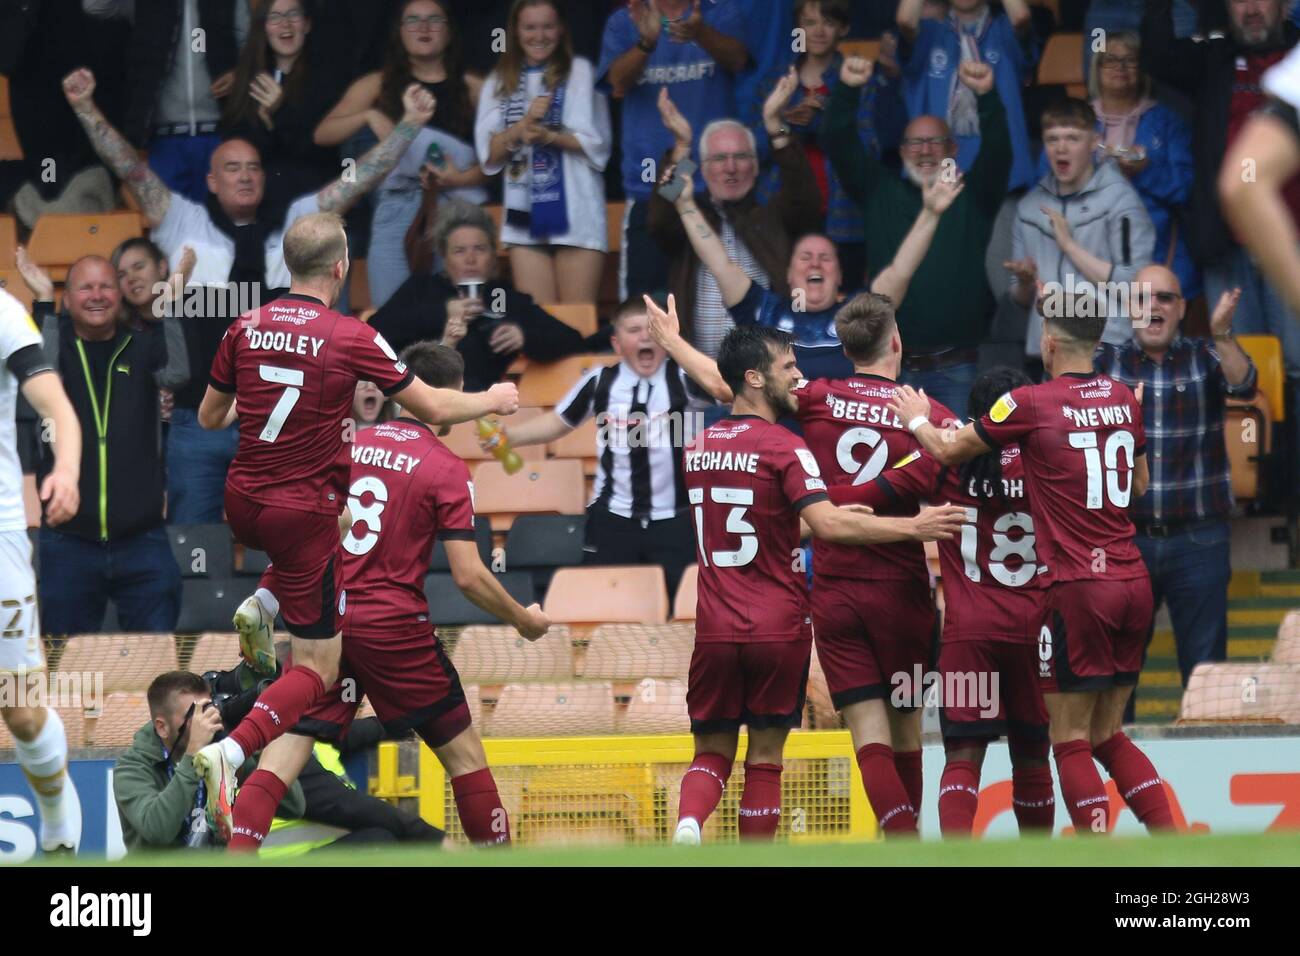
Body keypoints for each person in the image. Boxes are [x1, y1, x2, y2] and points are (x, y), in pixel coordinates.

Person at [189, 212, 520, 841]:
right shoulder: (350, 335)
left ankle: (264, 598)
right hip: (322, 538)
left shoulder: (245, 323)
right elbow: (431, 404)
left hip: (242, 503)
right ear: (341, 267)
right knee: (314, 667)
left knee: (293, 740)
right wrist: (493, 400)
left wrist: (261, 403)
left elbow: (209, 417)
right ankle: (230, 752)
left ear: (289, 264)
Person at [64, 67, 444, 524]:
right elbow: (129, 166)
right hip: (197, 419)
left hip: (285, 428)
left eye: (253, 167)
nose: (245, 176)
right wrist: (86, 108)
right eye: (232, 168)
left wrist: (409, 124)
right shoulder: (180, 220)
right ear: (210, 181)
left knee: (291, 547)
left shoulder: (299, 226)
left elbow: (358, 180)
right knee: (194, 544)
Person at [650, 292, 961, 834]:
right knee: (907, 732)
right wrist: (919, 433)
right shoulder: (925, 410)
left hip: (836, 592)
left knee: (868, 733)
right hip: (903, 591)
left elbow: (733, 387)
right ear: (896, 341)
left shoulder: (814, 398)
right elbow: (961, 452)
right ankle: (907, 848)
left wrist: (675, 342)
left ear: (843, 348)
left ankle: (898, 834)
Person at [225, 342, 550, 851]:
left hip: (325, 619)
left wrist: (270, 593)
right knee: (465, 760)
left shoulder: (345, 447)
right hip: (393, 627)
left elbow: (305, 531)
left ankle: (236, 857)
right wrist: (521, 620)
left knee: (282, 759)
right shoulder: (445, 468)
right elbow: (467, 576)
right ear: (450, 397)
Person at [890, 291, 1177, 835]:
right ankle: (1173, 842)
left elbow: (948, 452)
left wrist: (918, 419)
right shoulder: (1124, 397)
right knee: (1107, 735)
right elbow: (1139, 485)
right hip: (1130, 579)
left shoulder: (1032, 406)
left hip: (1067, 594)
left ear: (1048, 340)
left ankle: (1082, 848)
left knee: (1058, 742)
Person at [828, 367, 1056, 837]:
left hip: (969, 634)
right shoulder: (1048, 461)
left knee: (963, 756)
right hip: (1036, 631)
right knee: (1032, 752)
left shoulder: (943, 461)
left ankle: (951, 857)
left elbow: (874, 495)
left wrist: (815, 511)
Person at [664, 146, 964, 380]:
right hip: (781, 448)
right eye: (805, 258)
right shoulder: (762, 310)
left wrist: (931, 213)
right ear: (789, 275)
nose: (815, 264)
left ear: (839, 277)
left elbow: (900, 270)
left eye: (825, 259)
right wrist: (685, 203)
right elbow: (718, 262)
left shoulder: (859, 315)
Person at [1095, 265, 1256, 691]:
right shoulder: (1104, 363)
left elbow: (1246, 384)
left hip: (1199, 540)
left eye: (1165, 298)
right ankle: (1114, 756)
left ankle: (1209, 760)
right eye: (1143, 298)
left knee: (1207, 678)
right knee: (1115, 676)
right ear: (1129, 309)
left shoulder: (1205, 356)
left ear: (1182, 308)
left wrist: (1222, 334)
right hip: (1125, 539)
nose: (1154, 307)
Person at [825, 57, 1009, 419]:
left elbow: (1001, 149)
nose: (925, 151)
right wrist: (847, 89)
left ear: (953, 148)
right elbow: (838, 140)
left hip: (957, 366)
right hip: (891, 367)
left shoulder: (973, 194)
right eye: (915, 143)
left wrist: (986, 95)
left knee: (956, 468)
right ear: (903, 150)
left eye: (935, 141)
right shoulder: (878, 189)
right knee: (896, 470)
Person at [494, 298, 715, 597]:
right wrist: (510, 437)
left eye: (653, 329)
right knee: (604, 604)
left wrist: (676, 344)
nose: (645, 337)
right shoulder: (600, 381)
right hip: (614, 519)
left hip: (677, 519)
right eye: (634, 330)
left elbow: (727, 388)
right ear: (616, 343)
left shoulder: (685, 379)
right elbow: (560, 422)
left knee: (684, 610)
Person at [18, 254, 187, 635]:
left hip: (142, 540)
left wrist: (169, 311)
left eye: (106, 286)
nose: (97, 295)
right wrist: (44, 302)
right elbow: (40, 380)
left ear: (120, 294)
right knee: (68, 667)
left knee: (153, 666)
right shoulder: (57, 348)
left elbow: (177, 372)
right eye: (85, 287)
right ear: (68, 298)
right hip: (69, 543)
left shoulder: (141, 347)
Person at [314, 0, 489, 308]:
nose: (423, 27)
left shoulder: (474, 86)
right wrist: (368, 115)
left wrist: (459, 177)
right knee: (392, 316)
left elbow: (505, 155)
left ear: (449, 32)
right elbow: (323, 133)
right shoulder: (378, 84)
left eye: (434, 20)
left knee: (459, 315)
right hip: (398, 204)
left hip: (460, 208)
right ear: (399, 32)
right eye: (413, 20)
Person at [648, 75, 823, 358]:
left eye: (741, 157)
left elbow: (806, 200)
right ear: (701, 170)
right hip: (698, 374)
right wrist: (682, 146)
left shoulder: (774, 215)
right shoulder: (688, 220)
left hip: (768, 374)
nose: (730, 168)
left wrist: (774, 125)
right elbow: (661, 214)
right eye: (718, 159)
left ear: (755, 167)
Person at [0, 286, 84, 855]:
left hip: (0, 532)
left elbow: (57, 409)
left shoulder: (3, 313)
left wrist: (68, 470)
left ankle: (55, 809)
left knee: (22, 711)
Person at [747, 0, 907, 289]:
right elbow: (754, 151)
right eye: (810, 23)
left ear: (843, 28)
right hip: (786, 216)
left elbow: (869, 148)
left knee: (844, 313)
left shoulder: (860, 80)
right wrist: (785, 124)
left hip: (843, 217)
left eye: (829, 23)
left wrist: (821, 121)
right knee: (783, 310)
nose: (818, 31)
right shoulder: (775, 81)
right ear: (798, 28)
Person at [597, 0, 750, 300]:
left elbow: (740, 61)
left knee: (725, 301)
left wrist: (700, 32)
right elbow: (616, 82)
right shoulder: (626, 20)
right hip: (654, 190)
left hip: (717, 186)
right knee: (647, 307)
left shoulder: (721, 11)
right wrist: (646, 43)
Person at [474, 0, 612, 305]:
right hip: (525, 222)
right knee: (541, 327)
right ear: (516, 32)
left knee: (578, 326)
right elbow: (489, 155)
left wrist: (549, 136)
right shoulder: (499, 82)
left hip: (577, 217)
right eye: (530, 27)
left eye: (548, 26)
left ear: (561, 29)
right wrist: (520, 129)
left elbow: (599, 145)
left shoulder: (581, 73)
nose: (540, 35)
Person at [368, 199, 586, 392]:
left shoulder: (504, 297)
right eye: (459, 251)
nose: (470, 259)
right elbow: (374, 332)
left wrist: (525, 338)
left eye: (479, 249)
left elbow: (573, 341)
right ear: (444, 257)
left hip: (481, 405)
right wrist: (442, 313)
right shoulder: (422, 288)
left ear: (492, 256)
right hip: (422, 398)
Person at [1004, 98, 1154, 376]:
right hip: (1047, 354)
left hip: (1106, 350)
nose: (1061, 148)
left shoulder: (1120, 200)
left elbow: (1136, 285)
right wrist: (1025, 282)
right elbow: (1020, 299)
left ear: (1094, 142)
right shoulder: (1028, 207)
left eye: (1072, 138)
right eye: (1052, 139)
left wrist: (1069, 246)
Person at [1052, 31, 1197, 301]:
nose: (1120, 67)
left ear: (1143, 70)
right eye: (1110, 60)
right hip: (1086, 259)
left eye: (1130, 60)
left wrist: (1147, 171)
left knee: (1153, 341)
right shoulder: (1071, 121)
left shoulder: (1167, 122)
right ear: (1096, 68)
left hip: (1154, 259)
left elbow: (1188, 188)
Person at [84, 0, 250, 203]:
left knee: (222, 228)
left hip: (221, 135)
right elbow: (96, 6)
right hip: (164, 142)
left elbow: (250, 44)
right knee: (168, 229)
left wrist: (239, 75)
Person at [220, 0, 350, 212]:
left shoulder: (329, 81)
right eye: (275, 17)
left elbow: (321, 151)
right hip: (260, 208)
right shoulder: (247, 79)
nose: (285, 24)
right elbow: (238, 146)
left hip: (314, 203)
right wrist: (268, 124)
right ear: (263, 27)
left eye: (293, 15)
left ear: (307, 25)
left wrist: (280, 111)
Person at [895, 0, 1037, 192]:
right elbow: (905, 21)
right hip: (940, 177)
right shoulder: (929, 34)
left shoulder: (1004, 31)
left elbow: (1021, 17)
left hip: (1003, 177)